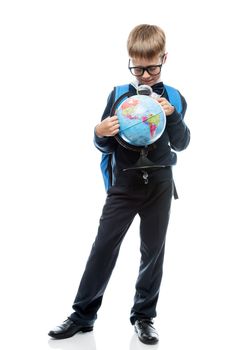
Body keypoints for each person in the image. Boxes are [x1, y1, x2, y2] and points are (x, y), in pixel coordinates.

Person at [48, 24, 190, 345]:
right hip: (124, 187)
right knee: (103, 248)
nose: (145, 75)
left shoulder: (175, 97)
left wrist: (173, 117)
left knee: (152, 252)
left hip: (159, 186)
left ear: (164, 58)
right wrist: (99, 132)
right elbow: (106, 146)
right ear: (129, 60)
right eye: (137, 67)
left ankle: (144, 317)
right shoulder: (117, 95)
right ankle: (83, 315)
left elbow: (181, 143)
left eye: (152, 67)